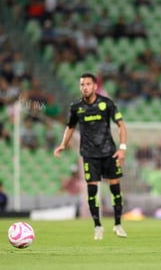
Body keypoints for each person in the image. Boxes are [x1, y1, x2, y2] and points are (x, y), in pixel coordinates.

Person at [54, 73, 128, 240]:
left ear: (95, 86)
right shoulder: (76, 107)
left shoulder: (107, 104)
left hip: (109, 153)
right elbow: (70, 127)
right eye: (82, 84)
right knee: (92, 191)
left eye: (88, 84)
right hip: (89, 154)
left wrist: (122, 148)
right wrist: (63, 144)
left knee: (115, 189)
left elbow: (122, 126)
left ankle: (118, 224)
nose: (85, 87)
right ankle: (98, 227)